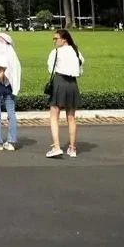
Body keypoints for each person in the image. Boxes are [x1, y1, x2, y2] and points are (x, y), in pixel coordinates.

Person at [46, 29, 84, 158]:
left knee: (54, 115)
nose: (54, 41)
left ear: (64, 39)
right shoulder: (76, 52)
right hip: (72, 84)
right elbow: (80, 69)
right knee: (71, 117)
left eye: (56, 39)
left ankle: (56, 146)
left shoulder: (56, 52)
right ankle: (72, 148)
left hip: (59, 81)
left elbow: (50, 68)